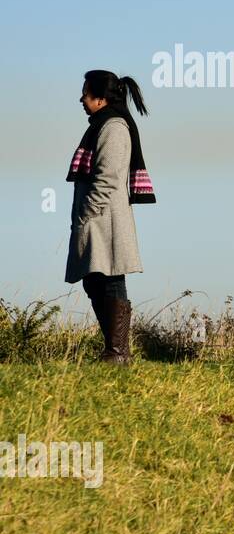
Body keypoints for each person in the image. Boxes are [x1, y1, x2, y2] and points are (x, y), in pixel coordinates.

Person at [65, 70, 156, 364]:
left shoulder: (114, 127)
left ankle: (117, 352)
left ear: (101, 97)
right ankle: (114, 350)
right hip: (99, 221)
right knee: (94, 280)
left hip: (106, 221)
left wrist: (86, 213)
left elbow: (108, 178)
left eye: (86, 92)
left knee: (111, 279)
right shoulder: (101, 126)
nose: (81, 98)